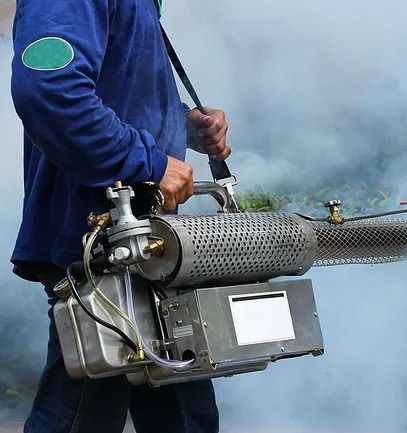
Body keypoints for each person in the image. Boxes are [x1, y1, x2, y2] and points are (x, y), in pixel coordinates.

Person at [10, 0, 231, 432]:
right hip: (102, 251)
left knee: (186, 416)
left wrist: (183, 122)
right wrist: (147, 162)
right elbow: (49, 90)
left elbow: (119, 91)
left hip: (146, 249)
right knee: (81, 414)